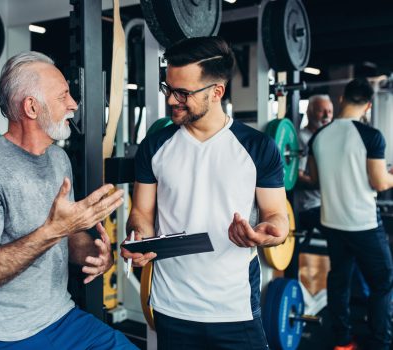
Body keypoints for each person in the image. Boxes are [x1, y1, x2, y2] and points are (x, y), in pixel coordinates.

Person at [0, 51, 136, 349]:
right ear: (32, 107)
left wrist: (95, 255)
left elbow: (70, 234)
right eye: (63, 95)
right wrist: (54, 231)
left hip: (60, 318)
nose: (73, 104)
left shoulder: (58, 159)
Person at [120, 37, 289, 350]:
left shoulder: (257, 148)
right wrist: (138, 236)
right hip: (172, 305)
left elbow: (277, 217)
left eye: (183, 93)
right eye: (167, 88)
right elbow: (142, 213)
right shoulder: (155, 146)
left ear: (217, 92)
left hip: (233, 305)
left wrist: (269, 233)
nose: (171, 100)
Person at [308, 78, 393, 350]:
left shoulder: (319, 136)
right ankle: (380, 342)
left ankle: (342, 340)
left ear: (342, 98)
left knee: (340, 280)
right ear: (368, 105)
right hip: (363, 224)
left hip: (332, 222)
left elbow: (316, 179)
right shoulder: (371, 135)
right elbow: (380, 183)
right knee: (382, 282)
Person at [296, 94, 333, 232]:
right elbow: (296, 176)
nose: (326, 116)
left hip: (329, 204)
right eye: (320, 111)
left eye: (329, 111)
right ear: (309, 113)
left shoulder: (330, 137)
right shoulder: (302, 138)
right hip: (310, 205)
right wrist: (322, 184)